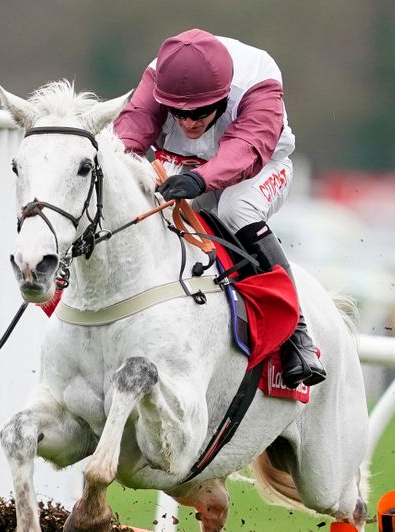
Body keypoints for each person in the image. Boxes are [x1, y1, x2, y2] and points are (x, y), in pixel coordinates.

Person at [113, 28, 325, 388]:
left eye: (199, 113)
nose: (188, 123)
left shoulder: (258, 79)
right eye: (178, 113)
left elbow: (248, 148)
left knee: (234, 210)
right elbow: (129, 134)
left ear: (223, 97)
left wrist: (200, 180)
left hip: (261, 165)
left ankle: (296, 334)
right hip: (188, 166)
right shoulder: (158, 76)